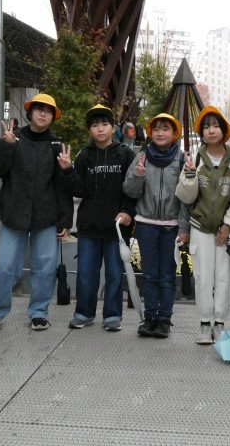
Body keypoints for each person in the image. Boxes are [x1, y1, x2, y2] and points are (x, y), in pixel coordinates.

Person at [0, 93, 73, 331]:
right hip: (14, 214)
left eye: (48, 110)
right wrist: (6, 146)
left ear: (53, 117)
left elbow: (61, 186)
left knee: (45, 268)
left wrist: (65, 220)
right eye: (38, 109)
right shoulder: (14, 138)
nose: (43, 113)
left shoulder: (56, 145)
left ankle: (38, 313)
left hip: (46, 216)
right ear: (30, 113)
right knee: (4, 266)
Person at [57, 104, 137, 332]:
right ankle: (83, 312)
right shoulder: (85, 156)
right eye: (94, 125)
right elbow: (80, 190)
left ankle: (112, 315)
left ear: (113, 128)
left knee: (114, 275)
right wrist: (67, 170)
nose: (100, 129)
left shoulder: (126, 154)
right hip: (89, 226)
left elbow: (132, 190)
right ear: (89, 130)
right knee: (86, 274)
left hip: (116, 228)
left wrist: (128, 212)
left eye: (104, 124)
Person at [175, 106, 230, 344]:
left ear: (224, 130)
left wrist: (228, 226)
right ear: (201, 133)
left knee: (224, 277)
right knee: (203, 277)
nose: (211, 130)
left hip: (226, 231)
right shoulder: (194, 159)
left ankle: (220, 323)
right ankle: (205, 323)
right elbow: (186, 198)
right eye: (206, 127)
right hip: (200, 227)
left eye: (216, 125)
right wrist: (190, 175)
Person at [123, 113, 190, 339]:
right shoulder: (142, 157)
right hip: (146, 224)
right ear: (150, 133)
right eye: (156, 129)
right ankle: (149, 317)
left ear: (174, 133)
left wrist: (184, 228)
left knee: (167, 275)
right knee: (150, 275)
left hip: (172, 226)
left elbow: (186, 199)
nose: (160, 133)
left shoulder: (181, 159)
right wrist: (138, 175)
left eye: (166, 129)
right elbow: (129, 191)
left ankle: (164, 319)